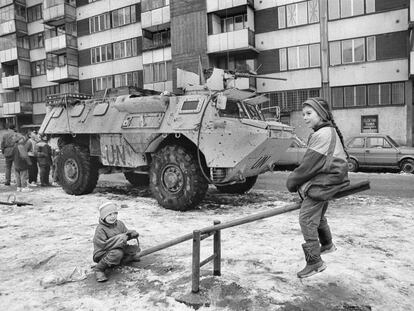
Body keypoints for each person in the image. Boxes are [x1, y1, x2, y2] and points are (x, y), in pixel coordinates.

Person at [286, 97, 349, 279]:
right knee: (318, 215)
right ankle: (327, 244)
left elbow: (308, 166)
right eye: (303, 114)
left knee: (306, 219)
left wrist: (292, 182)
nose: (304, 118)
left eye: (308, 113)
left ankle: (314, 262)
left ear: (320, 114)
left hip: (326, 181)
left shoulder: (322, 134)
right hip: (333, 178)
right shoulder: (329, 130)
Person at [92, 202, 141, 282]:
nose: (113, 217)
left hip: (119, 248)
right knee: (117, 254)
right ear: (103, 216)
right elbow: (103, 245)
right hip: (103, 252)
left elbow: (126, 234)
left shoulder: (119, 224)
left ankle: (121, 260)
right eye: (109, 215)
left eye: (115, 213)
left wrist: (131, 234)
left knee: (135, 249)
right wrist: (121, 238)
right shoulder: (100, 229)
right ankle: (99, 269)